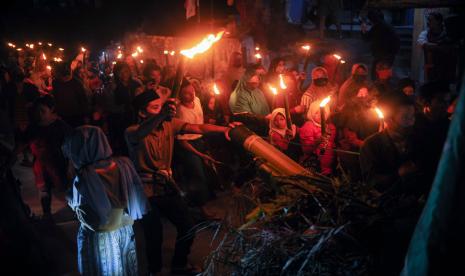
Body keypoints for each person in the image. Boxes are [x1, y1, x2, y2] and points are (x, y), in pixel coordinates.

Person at [125, 90, 237, 274]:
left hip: (167, 187)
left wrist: (226, 130)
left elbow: (199, 128)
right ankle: (155, 270)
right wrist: (162, 115)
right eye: (155, 107)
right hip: (145, 192)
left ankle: (179, 264)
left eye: (161, 106)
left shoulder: (170, 125)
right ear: (142, 113)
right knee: (154, 234)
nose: (161, 110)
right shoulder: (131, 132)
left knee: (188, 226)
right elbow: (140, 133)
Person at [64, 126, 148, 276]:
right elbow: (137, 195)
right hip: (125, 230)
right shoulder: (124, 164)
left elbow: (77, 205)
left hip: (100, 238)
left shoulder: (85, 176)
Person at [15, 95, 72, 218]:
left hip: (58, 163)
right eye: (38, 111)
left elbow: (72, 141)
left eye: (43, 111)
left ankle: (74, 210)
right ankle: (47, 215)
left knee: (65, 189)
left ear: (51, 110)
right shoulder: (34, 127)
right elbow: (22, 143)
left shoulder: (60, 125)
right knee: (44, 191)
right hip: (41, 166)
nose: (40, 114)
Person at [175, 81, 219, 218]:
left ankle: (202, 201)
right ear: (180, 95)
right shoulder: (180, 111)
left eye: (192, 91)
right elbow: (182, 141)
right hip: (188, 146)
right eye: (186, 93)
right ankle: (202, 209)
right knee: (197, 175)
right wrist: (200, 154)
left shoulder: (198, 100)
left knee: (207, 171)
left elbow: (199, 121)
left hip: (200, 140)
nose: (191, 95)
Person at [412, 81, 451, 194]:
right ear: (426, 102)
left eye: (448, 101)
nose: (446, 106)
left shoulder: (448, 126)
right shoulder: (413, 125)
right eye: (441, 101)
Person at [361, 9, 400, 80]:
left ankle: (380, 89)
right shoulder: (388, 26)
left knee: (377, 76)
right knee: (384, 75)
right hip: (389, 55)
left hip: (382, 55)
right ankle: (383, 87)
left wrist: (363, 29)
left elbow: (366, 38)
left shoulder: (378, 27)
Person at [299, 101, 336, 176]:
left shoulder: (331, 127)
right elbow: (306, 149)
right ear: (311, 113)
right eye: (316, 112)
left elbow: (331, 145)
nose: (320, 115)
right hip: (314, 164)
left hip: (329, 166)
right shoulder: (308, 126)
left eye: (323, 113)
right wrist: (317, 142)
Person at [52, 62, 90, 128]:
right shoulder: (55, 83)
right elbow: (56, 97)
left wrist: (85, 116)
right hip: (62, 115)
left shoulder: (77, 84)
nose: (65, 79)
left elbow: (83, 101)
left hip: (76, 116)